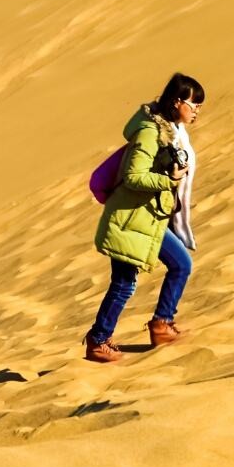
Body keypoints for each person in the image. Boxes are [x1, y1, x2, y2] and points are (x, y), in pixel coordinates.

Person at [84, 73, 203, 363]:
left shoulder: (172, 131)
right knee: (124, 283)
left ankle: (162, 324)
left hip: (148, 219)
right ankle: (98, 340)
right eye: (193, 103)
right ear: (177, 102)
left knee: (181, 264)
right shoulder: (150, 132)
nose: (197, 110)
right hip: (130, 219)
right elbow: (134, 176)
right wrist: (169, 180)